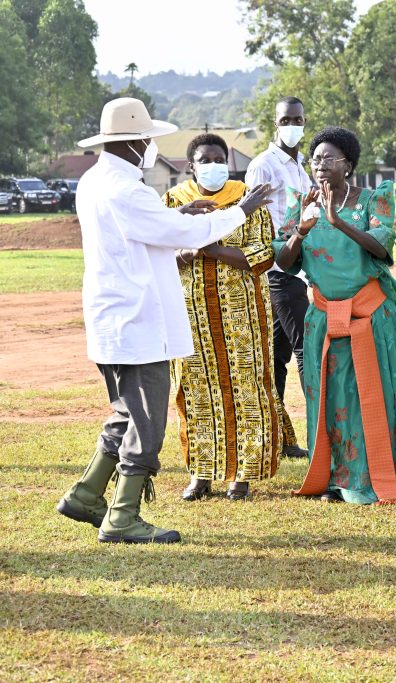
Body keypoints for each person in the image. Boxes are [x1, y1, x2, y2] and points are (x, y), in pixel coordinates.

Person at [55, 97, 273, 543]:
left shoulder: (94, 180)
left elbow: (146, 229)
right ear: (134, 142)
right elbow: (186, 236)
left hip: (114, 318)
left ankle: (86, 495)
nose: (151, 147)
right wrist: (241, 211)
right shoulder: (128, 190)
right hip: (138, 323)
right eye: (148, 140)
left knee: (124, 411)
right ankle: (123, 517)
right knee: (146, 422)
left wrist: (175, 215)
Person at [273, 126, 396, 504]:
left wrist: (339, 220)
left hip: (371, 316)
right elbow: (283, 259)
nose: (321, 165)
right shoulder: (302, 204)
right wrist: (301, 231)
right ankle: (334, 478)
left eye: (330, 158)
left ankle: (383, 475)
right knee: (329, 398)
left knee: (374, 394)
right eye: (316, 159)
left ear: (349, 164)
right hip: (324, 318)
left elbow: (382, 248)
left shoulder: (372, 200)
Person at [164, 134, 281, 502]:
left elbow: (262, 254)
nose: (214, 165)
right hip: (191, 312)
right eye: (205, 159)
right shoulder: (173, 201)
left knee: (245, 386)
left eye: (220, 159)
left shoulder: (248, 199)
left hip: (242, 312)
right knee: (196, 389)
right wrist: (189, 252)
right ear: (191, 165)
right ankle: (201, 474)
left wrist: (210, 247)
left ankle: (241, 475)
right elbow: (160, 252)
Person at [245, 96, 313, 459]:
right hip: (277, 272)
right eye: (286, 119)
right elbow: (255, 219)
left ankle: (279, 436)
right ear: (275, 123)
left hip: (296, 269)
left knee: (276, 358)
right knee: (305, 349)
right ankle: (319, 437)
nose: (293, 125)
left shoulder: (300, 167)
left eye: (298, 119)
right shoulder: (263, 166)